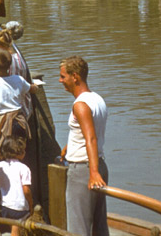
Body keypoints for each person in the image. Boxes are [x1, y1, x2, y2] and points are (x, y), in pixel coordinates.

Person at [58, 56, 108, 236]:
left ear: (75, 77)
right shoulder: (97, 99)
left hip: (83, 170)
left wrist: (93, 173)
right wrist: (68, 146)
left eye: (63, 76)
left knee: (78, 227)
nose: (60, 80)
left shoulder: (80, 105)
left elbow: (91, 139)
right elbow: (88, 133)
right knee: (99, 225)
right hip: (99, 164)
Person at [0, 138, 33, 236]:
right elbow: (26, 190)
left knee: (13, 227)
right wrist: (31, 205)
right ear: (19, 152)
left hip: (5, 206)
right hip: (19, 208)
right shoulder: (24, 168)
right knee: (16, 231)